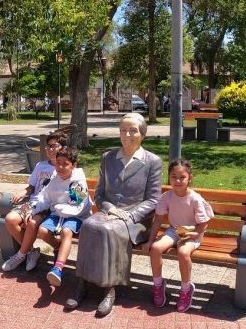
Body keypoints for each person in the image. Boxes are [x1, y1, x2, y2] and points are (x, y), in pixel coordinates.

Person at [67, 112, 162, 317]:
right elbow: (99, 194)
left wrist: (128, 215)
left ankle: (109, 289)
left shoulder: (153, 162)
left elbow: (153, 200)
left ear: (142, 134)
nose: (127, 134)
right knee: (89, 226)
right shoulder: (108, 158)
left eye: (133, 130)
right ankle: (82, 284)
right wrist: (109, 208)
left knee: (109, 230)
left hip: (135, 219)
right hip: (108, 211)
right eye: (123, 130)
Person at [2, 146, 91, 287]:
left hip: (76, 216)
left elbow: (76, 207)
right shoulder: (55, 178)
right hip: (58, 215)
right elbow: (45, 198)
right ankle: (57, 247)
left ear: (74, 165)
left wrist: (57, 208)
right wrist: (34, 210)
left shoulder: (77, 181)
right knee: (42, 231)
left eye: (65, 164)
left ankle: (58, 268)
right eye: (58, 163)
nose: (60, 167)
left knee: (66, 232)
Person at [145, 158, 213, 313]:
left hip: (193, 233)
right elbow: (158, 220)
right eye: (173, 177)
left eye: (182, 177)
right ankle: (158, 284)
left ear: (190, 178)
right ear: (169, 178)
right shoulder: (166, 197)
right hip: (174, 230)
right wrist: (150, 240)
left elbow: (203, 224)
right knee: (155, 248)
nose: (177, 180)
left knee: (183, 252)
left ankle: (186, 289)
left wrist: (194, 234)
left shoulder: (195, 199)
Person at [3, 130, 67, 271]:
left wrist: (34, 210)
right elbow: (31, 187)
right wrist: (23, 192)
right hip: (32, 203)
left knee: (33, 224)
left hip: (49, 207)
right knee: (9, 219)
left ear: (62, 148)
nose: (50, 149)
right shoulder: (40, 166)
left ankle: (20, 255)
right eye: (48, 146)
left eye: (54, 146)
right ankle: (31, 252)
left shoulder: (64, 168)